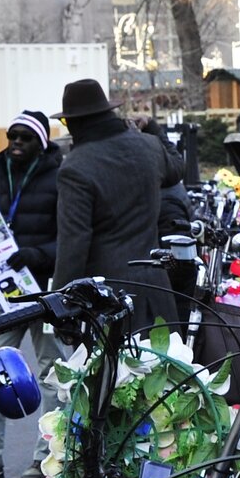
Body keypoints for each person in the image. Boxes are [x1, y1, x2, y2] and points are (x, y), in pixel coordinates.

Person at [0, 110, 62, 478]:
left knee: (54, 376)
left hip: (45, 293)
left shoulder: (59, 180)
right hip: (1, 296)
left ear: (41, 140)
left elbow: (71, 238)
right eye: (12, 136)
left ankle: (46, 460)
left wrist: (38, 255)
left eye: (25, 137)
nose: (17, 143)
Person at [53, 78, 178, 328]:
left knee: (116, 367)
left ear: (78, 122)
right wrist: (153, 128)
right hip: (157, 287)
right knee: (166, 364)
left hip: (109, 298)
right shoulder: (149, 146)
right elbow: (177, 169)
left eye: (66, 122)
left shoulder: (76, 166)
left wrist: (60, 302)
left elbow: (74, 243)